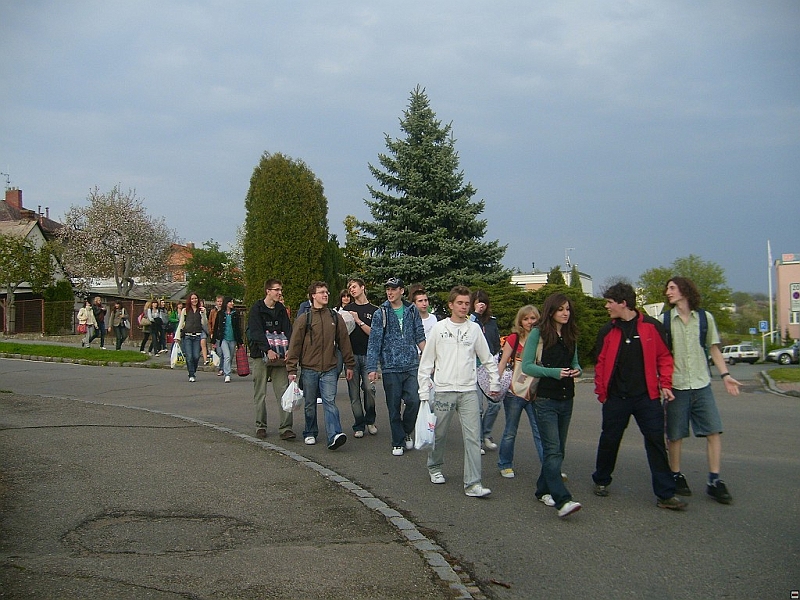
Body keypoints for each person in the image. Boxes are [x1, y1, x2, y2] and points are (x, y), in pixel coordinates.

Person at [591, 283, 687, 510]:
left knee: (655, 443)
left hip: (647, 398)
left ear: (623, 303)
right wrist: (602, 393)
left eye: (610, 302)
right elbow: (600, 363)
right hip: (616, 399)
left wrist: (665, 384)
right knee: (609, 440)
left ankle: (665, 494)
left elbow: (664, 358)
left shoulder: (652, 327)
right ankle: (601, 480)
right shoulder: (607, 331)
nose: (607, 306)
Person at [663, 276, 739, 504]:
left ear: (685, 290)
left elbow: (714, 349)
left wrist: (725, 376)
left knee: (713, 431)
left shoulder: (705, 318)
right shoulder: (665, 320)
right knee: (675, 435)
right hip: (676, 386)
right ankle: (675, 475)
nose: (668, 292)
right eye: (667, 288)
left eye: (672, 288)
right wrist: (663, 383)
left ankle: (714, 480)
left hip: (701, 384)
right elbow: (661, 355)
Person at [418, 285, 500, 497]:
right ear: (451, 305)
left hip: (468, 391)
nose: (464, 307)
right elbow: (427, 361)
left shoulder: (474, 329)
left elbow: (487, 357)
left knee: (473, 437)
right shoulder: (439, 329)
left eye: (467, 303)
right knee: (439, 434)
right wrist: (424, 390)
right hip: (444, 390)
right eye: (460, 303)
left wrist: (495, 381)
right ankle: (434, 467)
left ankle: (473, 483)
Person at [521, 292, 582, 518]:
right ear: (551, 311)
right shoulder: (538, 333)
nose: (565, 313)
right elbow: (527, 366)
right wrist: (554, 372)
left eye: (568, 309)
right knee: (553, 449)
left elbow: (575, 362)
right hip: (545, 398)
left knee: (558, 450)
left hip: (566, 397)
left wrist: (577, 371)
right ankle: (562, 499)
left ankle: (542, 489)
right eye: (561, 309)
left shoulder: (570, 333)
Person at [286, 281, 355, 450]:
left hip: (330, 368)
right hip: (309, 368)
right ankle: (310, 432)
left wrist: (349, 364)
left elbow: (344, 342)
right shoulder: (304, 318)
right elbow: (295, 345)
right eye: (321, 292)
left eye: (326, 292)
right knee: (310, 403)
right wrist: (292, 369)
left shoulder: (334, 317)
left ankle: (334, 435)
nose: (325, 295)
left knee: (329, 401)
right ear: (313, 296)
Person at [366, 277, 426, 456]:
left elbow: (420, 336)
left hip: (411, 365)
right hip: (390, 366)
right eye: (388, 289)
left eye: (393, 289)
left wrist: (430, 359)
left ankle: (406, 431)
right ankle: (397, 441)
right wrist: (372, 368)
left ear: (401, 291)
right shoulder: (381, 313)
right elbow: (374, 342)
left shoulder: (412, 310)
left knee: (414, 401)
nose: (390, 292)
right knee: (393, 406)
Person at [496, 304, 544, 478]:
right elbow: (503, 362)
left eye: (533, 318)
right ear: (520, 321)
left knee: (540, 432)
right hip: (514, 392)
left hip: (535, 392)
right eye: (526, 319)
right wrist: (496, 383)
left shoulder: (542, 339)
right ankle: (505, 463)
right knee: (510, 430)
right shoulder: (514, 339)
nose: (530, 322)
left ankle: (549, 468)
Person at [247, 279, 295, 440]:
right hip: (261, 356)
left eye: (280, 290)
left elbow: (288, 330)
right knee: (260, 393)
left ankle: (286, 428)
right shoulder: (257, 309)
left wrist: (290, 349)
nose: (280, 293)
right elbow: (255, 332)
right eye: (277, 290)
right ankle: (260, 426)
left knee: (283, 392)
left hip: (280, 356)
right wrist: (267, 350)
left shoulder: (281, 309)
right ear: (268, 291)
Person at [344, 277, 379, 438]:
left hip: (369, 356)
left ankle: (370, 420)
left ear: (363, 287)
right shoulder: (347, 309)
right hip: (351, 356)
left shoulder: (374, 310)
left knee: (369, 389)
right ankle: (359, 424)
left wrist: (357, 320)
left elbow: (374, 334)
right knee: (354, 393)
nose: (352, 290)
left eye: (354, 286)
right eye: (350, 288)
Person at [470, 289, 502, 452]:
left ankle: (486, 433)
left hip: (489, 366)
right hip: (473, 368)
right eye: (477, 303)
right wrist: (475, 314)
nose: (481, 306)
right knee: (478, 408)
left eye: (483, 303)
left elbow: (496, 342)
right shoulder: (470, 320)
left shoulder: (492, 321)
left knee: (495, 403)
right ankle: (478, 441)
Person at [176, 292, 207, 382]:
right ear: (189, 300)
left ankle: (193, 370)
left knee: (196, 356)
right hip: (187, 336)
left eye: (196, 298)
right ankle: (191, 374)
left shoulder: (201, 310)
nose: (194, 300)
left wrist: (203, 313)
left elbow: (204, 323)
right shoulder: (185, 310)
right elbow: (181, 323)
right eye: (192, 299)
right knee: (189, 356)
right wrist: (177, 336)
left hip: (197, 336)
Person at [212, 296, 243, 383]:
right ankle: (227, 374)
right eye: (230, 302)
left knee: (230, 356)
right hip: (223, 339)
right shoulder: (220, 313)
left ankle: (227, 370)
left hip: (233, 339)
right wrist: (214, 340)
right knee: (227, 356)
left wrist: (240, 341)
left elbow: (238, 328)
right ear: (226, 303)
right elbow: (216, 327)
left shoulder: (235, 314)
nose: (232, 303)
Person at [208, 295, 225, 376]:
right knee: (219, 352)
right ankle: (221, 367)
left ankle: (222, 368)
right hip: (216, 334)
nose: (219, 303)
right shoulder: (213, 311)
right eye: (218, 301)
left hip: (223, 334)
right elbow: (210, 322)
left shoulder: (225, 311)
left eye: (221, 301)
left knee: (224, 353)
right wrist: (211, 333)